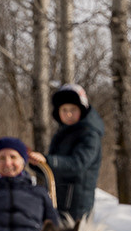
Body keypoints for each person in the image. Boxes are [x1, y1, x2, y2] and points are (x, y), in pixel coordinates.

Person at [29, 83, 104, 220]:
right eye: (64, 110)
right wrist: (38, 163)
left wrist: (48, 160)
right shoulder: (62, 134)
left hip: (76, 203)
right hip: (58, 198)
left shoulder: (89, 135)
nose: (68, 114)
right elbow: (56, 168)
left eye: (73, 109)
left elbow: (77, 164)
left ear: (82, 110)